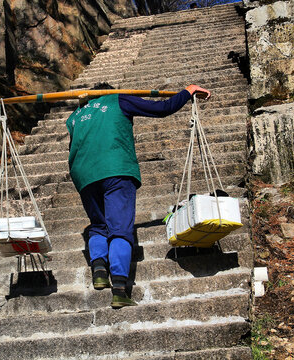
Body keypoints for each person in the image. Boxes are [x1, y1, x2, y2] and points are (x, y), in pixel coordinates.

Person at [65, 83, 211, 308]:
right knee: (120, 227)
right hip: (115, 168)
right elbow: (162, 109)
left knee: (97, 224)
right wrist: (187, 91)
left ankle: (99, 270)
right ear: (110, 92)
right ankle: (120, 288)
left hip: (83, 174)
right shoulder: (118, 100)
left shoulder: (76, 115)